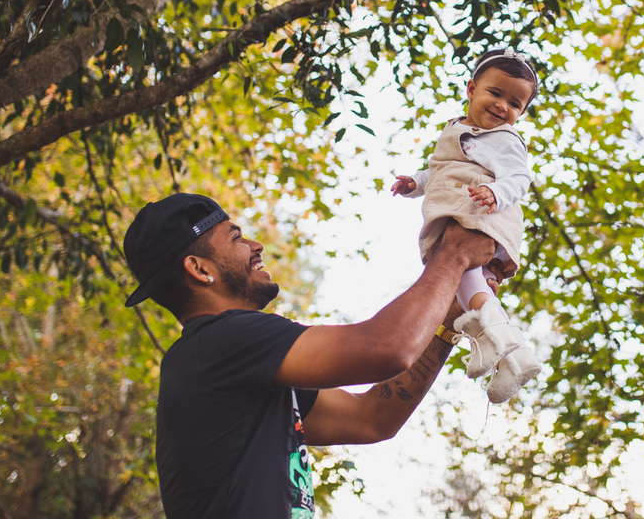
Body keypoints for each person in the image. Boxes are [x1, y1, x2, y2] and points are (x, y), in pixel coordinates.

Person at [122, 192, 499, 519]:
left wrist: (451, 318)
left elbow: (373, 419)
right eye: (236, 237)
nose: (256, 246)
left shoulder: (229, 363)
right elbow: (388, 347)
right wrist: (453, 255)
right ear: (199, 269)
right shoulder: (222, 341)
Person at [391, 48, 542, 403]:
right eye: (496, 93)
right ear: (472, 88)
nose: (504, 107)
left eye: (516, 104)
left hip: (480, 210)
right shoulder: (458, 129)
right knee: (466, 285)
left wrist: (495, 191)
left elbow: (519, 178)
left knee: (461, 272)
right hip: (462, 209)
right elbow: (444, 170)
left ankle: (493, 338)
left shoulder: (504, 138)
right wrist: (416, 182)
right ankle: (510, 356)